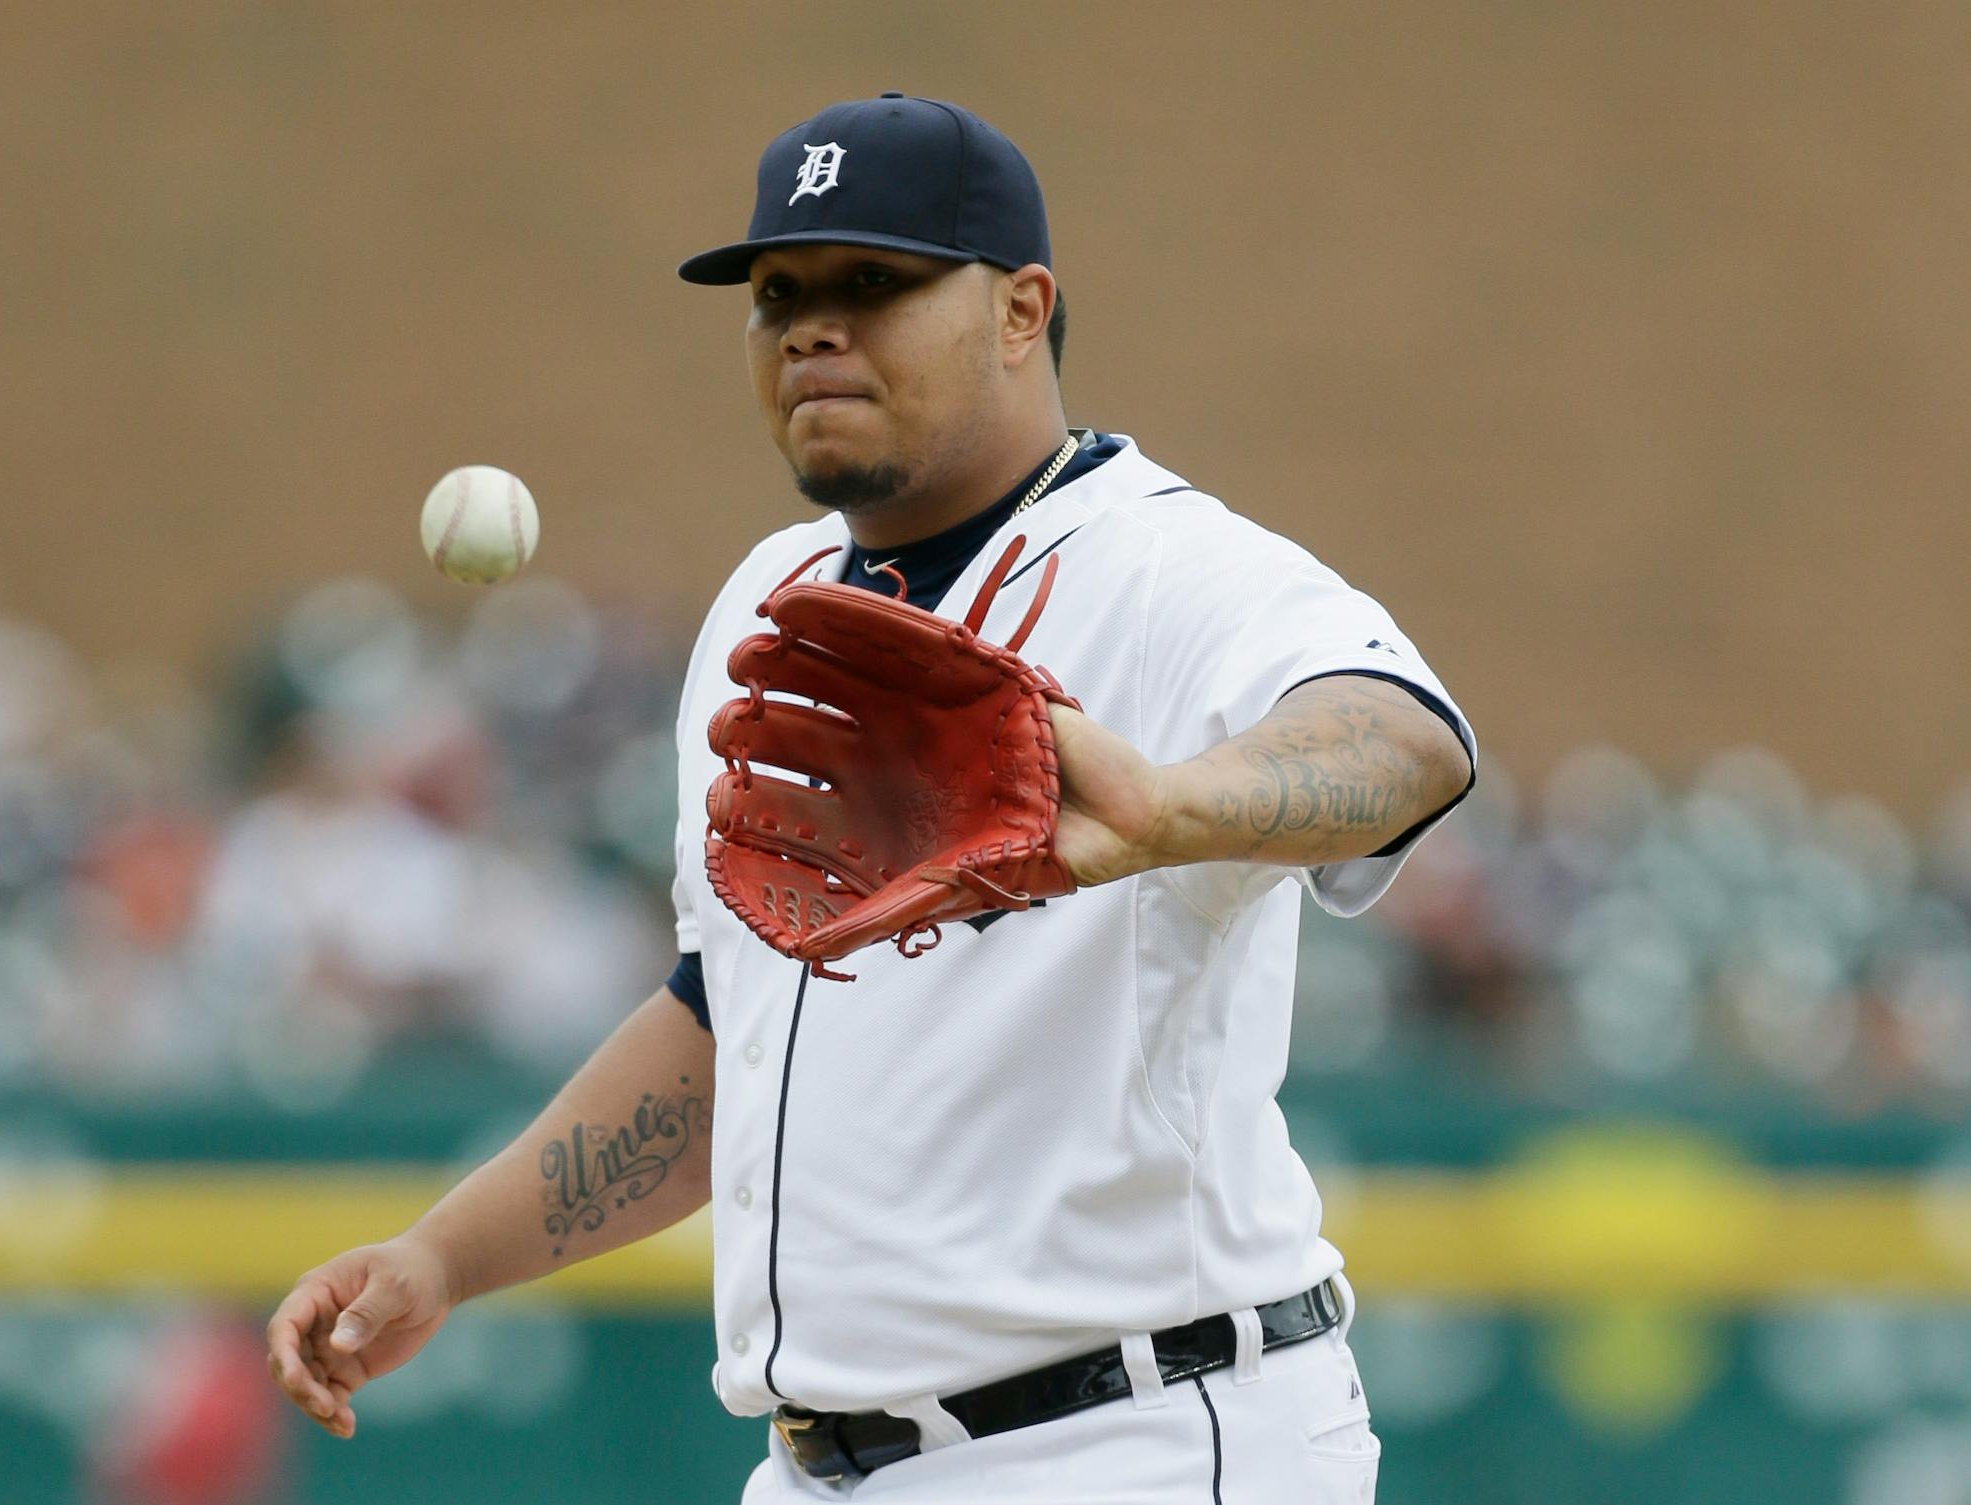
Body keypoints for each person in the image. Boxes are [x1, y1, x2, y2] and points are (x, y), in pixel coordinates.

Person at [266, 93, 1475, 1504]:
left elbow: (1404, 743)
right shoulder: (761, 605)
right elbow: (727, 1029)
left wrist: (1171, 808)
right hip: (824, 1467)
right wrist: (443, 1258)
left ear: (1024, 310)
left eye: (876, 284)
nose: (813, 329)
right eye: (780, 293)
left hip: (1135, 1435)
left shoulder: (1164, 565)